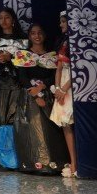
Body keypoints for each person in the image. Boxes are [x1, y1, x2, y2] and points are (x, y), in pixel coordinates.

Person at [13, 23, 69, 175]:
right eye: (33, 33)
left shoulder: (52, 55)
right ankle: (34, 163)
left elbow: (55, 75)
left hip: (48, 95)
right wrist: (35, 93)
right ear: (29, 36)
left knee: (51, 129)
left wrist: (43, 86)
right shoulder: (23, 55)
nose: (37, 36)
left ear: (44, 35)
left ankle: (54, 163)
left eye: (39, 33)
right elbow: (22, 77)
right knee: (32, 128)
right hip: (29, 96)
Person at [0, 7, 26, 131]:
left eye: (7, 17)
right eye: (0, 18)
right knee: (2, 116)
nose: (3, 21)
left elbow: (28, 60)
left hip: (18, 81)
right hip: (0, 81)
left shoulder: (23, 38)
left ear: (13, 19)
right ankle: (5, 144)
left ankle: (20, 142)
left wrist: (11, 58)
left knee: (18, 114)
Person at [50, 12, 76, 177]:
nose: (61, 25)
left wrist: (65, 88)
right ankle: (73, 162)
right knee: (65, 123)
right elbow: (59, 67)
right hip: (63, 84)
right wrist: (58, 88)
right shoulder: (62, 42)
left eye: (64, 21)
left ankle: (80, 161)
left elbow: (79, 69)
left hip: (75, 83)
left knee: (75, 121)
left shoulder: (78, 42)